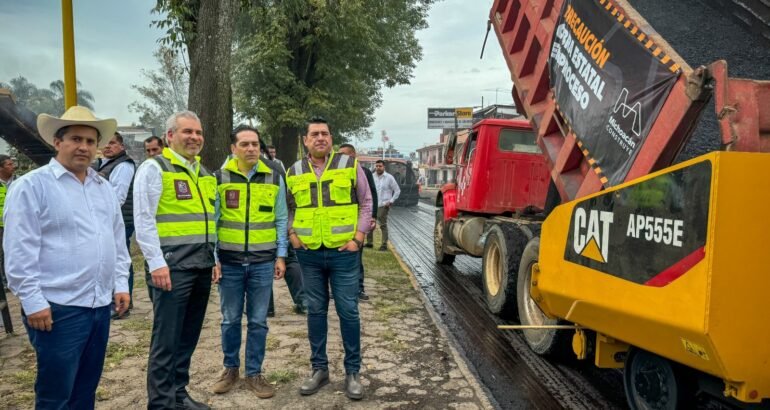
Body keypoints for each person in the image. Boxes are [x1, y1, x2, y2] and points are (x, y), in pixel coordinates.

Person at [4, 106, 130, 409]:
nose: (84, 147)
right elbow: (19, 250)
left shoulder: (103, 188)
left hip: (99, 305)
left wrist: (121, 283)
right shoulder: (31, 186)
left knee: (85, 388)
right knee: (55, 393)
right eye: (76, 138)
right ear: (57, 142)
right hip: (58, 309)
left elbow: (116, 239)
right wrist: (33, 301)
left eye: (90, 141)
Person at [134, 111, 216, 410]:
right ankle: (161, 403)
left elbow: (210, 221)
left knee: (187, 336)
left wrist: (214, 258)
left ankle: (179, 394)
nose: (194, 137)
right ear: (170, 136)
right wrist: (156, 263)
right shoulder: (154, 168)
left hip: (201, 265)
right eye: (187, 132)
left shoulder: (204, 174)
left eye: (198, 132)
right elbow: (143, 220)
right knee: (166, 341)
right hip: (171, 268)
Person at [286, 117, 372, 400]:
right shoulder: (294, 170)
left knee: (348, 311)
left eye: (324, 133)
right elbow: (286, 207)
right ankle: (319, 370)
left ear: (331, 138)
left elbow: (366, 201)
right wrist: (292, 234)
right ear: (305, 140)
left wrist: (358, 238)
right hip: (308, 253)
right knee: (316, 311)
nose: (320, 138)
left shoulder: (349, 165)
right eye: (314, 134)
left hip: (342, 253)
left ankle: (352, 373)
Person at [210, 125, 287, 398]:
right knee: (230, 319)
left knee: (258, 321)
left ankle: (254, 373)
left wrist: (281, 256)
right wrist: (214, 259)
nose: (251, 149)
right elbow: (213, 222)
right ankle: (230, 369)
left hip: (262, 263)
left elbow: (280, 220)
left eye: (255, 144)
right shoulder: (219, 178)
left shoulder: (274, 178)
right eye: (244, 144)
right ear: (233, 149)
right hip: (229, 263)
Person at [94, 132, 137, 319]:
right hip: (105, 221)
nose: (108, 146)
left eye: (112, 143)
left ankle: (122, 304)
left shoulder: (124, 165)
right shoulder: (100, 165)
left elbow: (118, 198)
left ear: (122, 146)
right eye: (105, 143)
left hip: (119, 221)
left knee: (121, 260)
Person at [337, 144, 377, 301]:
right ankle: (338, 289)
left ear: (353, 155)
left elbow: (370, 195)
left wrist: (371, 217)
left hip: (357, 223)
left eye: (344, 154)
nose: (340, 158)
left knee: (356, 257)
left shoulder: (364, 172)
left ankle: (359, 288)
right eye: (338, 154)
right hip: (340, 224)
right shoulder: (336, 171)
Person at [366, 160, 400, 251]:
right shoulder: (372, 177)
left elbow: (397, 190)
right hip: (372, 205)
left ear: (384, 167)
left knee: (382, 225)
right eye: (376, 166)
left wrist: (391, 201)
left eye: (380, 166)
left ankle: (384, 245)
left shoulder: (389, 178)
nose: (378, 168)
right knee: (370, 224)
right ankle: (369, 243)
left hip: (383, 205)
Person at [0, 154, 15, 290]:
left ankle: (11, 279)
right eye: (9, 165)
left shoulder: (20, 182)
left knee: (12, 253)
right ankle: (4, 283)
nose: (13, 167)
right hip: (1, 227)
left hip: (16, 225)